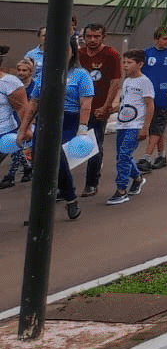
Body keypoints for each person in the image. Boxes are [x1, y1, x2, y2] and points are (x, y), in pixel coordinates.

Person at [18, 50, 93, 220]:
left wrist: (82, 128)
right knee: (38, 165)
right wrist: (23, 129)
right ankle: (39, 209)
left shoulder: (81, 74)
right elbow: (34, 102)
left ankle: (70, 198)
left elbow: (86, 103)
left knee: (57, 158)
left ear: (73, 52)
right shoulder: (45, 74)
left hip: (69, 121)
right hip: (45, 120)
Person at [76, 23, 121, 198]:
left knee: (94, 145)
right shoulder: (79, 54)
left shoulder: (111, 55)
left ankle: (91, 183)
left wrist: (106, 106)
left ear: (103, 37)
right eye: (89, 36)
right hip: (77, 108)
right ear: (84, 37)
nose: (92, 40)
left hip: (98, 109)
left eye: (96, 36)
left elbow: (115, 82)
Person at [105, 50, 152, 205]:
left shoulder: (145, 82)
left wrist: (145, 127)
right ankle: (137, 178)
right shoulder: (127, 82)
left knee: (124, 155)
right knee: (121, 156)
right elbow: (125, 102)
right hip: (122, 124)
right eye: (124, 62)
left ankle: (121, 190)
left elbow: (149, 105)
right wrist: (113, 109)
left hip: (135, 125)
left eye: (129, 62)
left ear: (140, 64)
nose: (125, 65)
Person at [138, 26, 167, 172]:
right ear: (156, 39)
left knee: (157, 126)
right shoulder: (147, 53)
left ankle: (146, 157)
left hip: (165, 96)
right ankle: (162, 156)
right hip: (148, 96)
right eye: (165, 39)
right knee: (158, 127)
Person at [0, 57, 34, 187]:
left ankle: (10, 176)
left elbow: (23, 108)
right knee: (17, 150)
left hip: (5, 131)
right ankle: (27, 167)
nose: (21, 73)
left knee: (15, 147)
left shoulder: (10, 82)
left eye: (24, 70)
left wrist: (26, 129)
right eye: (19, 70)